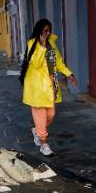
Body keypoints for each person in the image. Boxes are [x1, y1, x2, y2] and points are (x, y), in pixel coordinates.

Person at [21, 19, 77, 156]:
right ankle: (44, 144)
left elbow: (58, 61)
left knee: (51, 114)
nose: (47, 33)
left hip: (51, 85)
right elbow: (37, 63)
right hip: (37, 87)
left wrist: (69, 74)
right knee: (40, 116)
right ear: (39, 30)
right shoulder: (32, 44)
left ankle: (37, 130)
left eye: (48, 30)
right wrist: (42, 46)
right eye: (45, 30)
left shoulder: (52, 43)